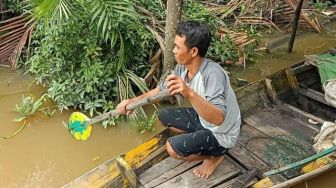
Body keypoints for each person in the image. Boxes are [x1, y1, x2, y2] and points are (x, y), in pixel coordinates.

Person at [117, 21, 241, 179]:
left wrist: (189, 93)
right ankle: (203, 142)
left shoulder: (212, 75)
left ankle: (215, 156)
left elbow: (218, 119)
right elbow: (161, 90)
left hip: (222, 133)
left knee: (172, 149)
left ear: (194, 51)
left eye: (177, 47)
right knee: (163, 116)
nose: (173, 51)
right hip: (204, 120)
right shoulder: (182, 68)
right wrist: (132, 103)